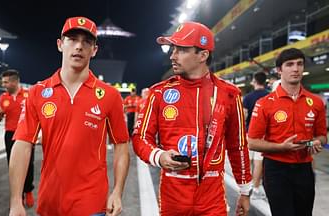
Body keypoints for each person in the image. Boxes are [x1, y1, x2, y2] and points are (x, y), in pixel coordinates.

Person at [9, 16, 130, 216]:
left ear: (94, 50)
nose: (79, 46)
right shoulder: (38, 92)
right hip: (50, 201)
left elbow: (121, 145)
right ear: (60, 44)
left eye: (87, 42)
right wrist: (15, 201)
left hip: (92, 202)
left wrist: (117, 191)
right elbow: (22, 145)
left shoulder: (110, 95)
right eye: (72, 39)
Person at [133, 21, 252, 216]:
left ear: (203, 55)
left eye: (181, 50)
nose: (173, 55)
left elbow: (237, 145)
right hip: (173, 198)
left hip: (212, 201)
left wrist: (245, 191)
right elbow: (140, 137)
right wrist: (159, 156)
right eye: (173, 49)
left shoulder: (229, 94)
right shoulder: (159, 93)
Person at [248, 48, 327, 216]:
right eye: (289, 64)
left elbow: (322, 135)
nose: (296, 69)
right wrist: (281, 147)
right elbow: (252, 141)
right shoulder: (264, 103)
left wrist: (318, 142)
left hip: (304, 169)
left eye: (299, 64)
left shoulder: (316, 102)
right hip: (276, 170)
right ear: (279, 70)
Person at [0, 69, 35, 207]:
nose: (3, 85)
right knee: (13, 166)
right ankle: (18, 195)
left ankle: (28, 190)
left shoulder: (29, 95)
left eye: (6, 82)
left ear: (15, 81)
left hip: (26, 134)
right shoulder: (4, 97)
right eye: (3, 82)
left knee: (28, 164)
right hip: (10, 134)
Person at [243, 71, 268, 199]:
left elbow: (244, 115)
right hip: (264, 135)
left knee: (249, 160)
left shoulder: (248, 97)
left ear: (254, 81)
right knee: (259, 162)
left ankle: (248, 186)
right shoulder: (270, 96)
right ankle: (256, 187)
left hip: (249, 132)